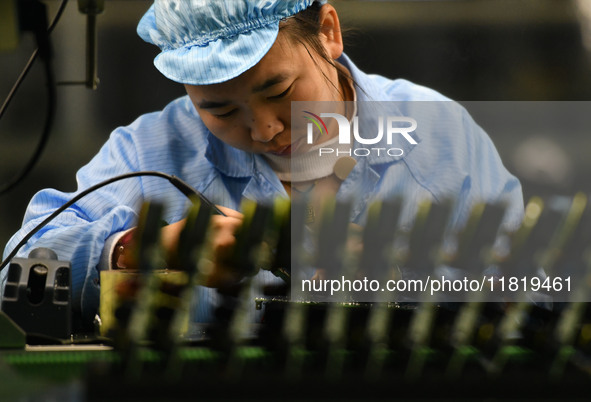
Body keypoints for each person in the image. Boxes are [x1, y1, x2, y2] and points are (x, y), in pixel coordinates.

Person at [2, 0, 523, 326]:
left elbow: (535, 290)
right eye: (220, 109)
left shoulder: (438, 137)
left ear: (328, 32)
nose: (265, 129)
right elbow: (16, 270)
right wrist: (150, 249)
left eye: (279, 90)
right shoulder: (150, 150)